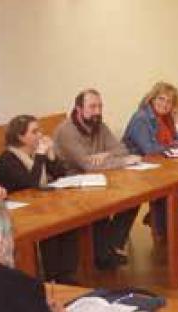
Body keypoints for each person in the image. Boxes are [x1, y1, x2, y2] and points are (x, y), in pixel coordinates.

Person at [54, 89, 141, 268]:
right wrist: (122, 161)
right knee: (100, 204)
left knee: (134, 197)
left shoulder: (99, 125)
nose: (98, 111)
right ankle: (104, 253)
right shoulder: (66, 131)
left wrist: (105, 154)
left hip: (98, 179)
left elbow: (121, 149)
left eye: (100, 106)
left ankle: (110, 248)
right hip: (70, 185)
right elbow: (89, 165)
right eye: (92, 107)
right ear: (79, 109)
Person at [0, 115, 78, 283]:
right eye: (34, 132)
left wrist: (51, 154)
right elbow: (31, 185)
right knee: (50, 225)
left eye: (39, 130)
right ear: (20, 137)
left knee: (68, 221)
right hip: (18, 214)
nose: (40, 135)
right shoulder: (8, 159)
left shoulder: (34, 154)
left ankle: (66, 274)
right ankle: (51, 276)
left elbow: (61, 174)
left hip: (39, 206)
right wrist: (40, 156)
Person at [122, 81, 178, 238]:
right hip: (136, 169)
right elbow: (149, 150)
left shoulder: (165, 118)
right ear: (152, 99)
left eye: (169, 102)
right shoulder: (141, 118)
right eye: (161, 99)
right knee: (175, 182)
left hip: (157, 165)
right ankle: (161, 223)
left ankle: (159, 220)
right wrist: (173, 145)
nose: (165, 104)